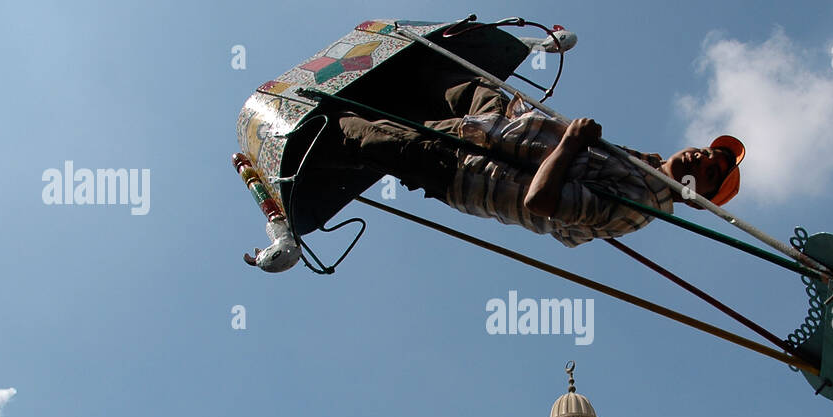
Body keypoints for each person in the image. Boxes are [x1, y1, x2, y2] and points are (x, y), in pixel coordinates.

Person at [316, 77, 744, 248]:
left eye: (708, 173)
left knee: (374, 137)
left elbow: (541, 202)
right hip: (494, 127)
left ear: (693, 198)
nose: (702, 158)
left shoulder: (636, 206)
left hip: (470, 170)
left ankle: (315, 127)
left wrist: (572, 143)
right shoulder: (642, 166)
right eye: (708, 153)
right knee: (462, 82)